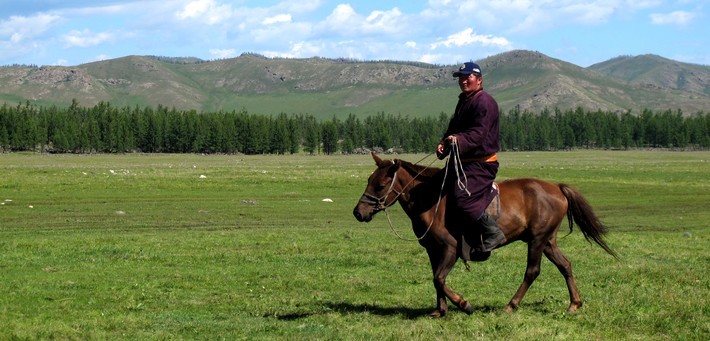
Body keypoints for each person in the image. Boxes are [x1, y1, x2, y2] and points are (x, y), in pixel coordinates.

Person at [436, 61, 506, 259]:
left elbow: (479, 134)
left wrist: (457, 140)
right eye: (461, 78)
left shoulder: (485, 102)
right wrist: (445, 142)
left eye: (468, 77)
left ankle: (493, 233)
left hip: (481, 163)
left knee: (463, 198)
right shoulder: (465, 100)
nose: (464, 81)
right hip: (464, 161)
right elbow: (455, 126)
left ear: (479, 80)